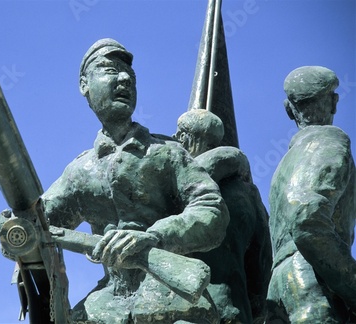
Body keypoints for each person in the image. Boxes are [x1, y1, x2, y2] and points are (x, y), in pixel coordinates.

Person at [41, 38, 230, 323]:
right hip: (107, 308)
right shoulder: (79, 172)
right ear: (84, 85)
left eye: (130, 75)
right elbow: (37, 225)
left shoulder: (166, 153)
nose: (125, 79)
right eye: (109, 69)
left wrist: (155, 236)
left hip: (172, 301)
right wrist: (18, 229)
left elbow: (212, 211)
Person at [266, 66, 356, 323]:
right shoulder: (330, 140)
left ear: (288, 109)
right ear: (334, 102)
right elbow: (307, 219)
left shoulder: (286, 163)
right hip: (313, 277)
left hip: (279, 285)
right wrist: (351, 282)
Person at [175, 109, 272, 323]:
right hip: (233, 309)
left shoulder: (172, 189)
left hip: (180, 310)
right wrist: (255, 309)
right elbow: (262, 264)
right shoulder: (248, 195)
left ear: (183, 138)